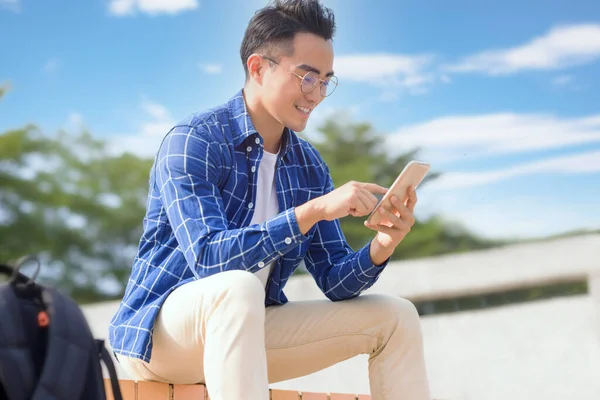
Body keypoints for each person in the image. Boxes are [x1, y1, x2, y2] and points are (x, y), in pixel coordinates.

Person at [109, 1, 431, 399]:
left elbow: (334, 281)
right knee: (238, 287)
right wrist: (311, 212)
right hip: (159, 338)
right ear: (258, 68)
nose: (317, 95)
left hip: (246, 330)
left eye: (326, 80)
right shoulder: (194, 140)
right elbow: (209, 259)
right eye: (307, 77)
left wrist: (383, 245)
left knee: (395, 316)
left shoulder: (308, 165)